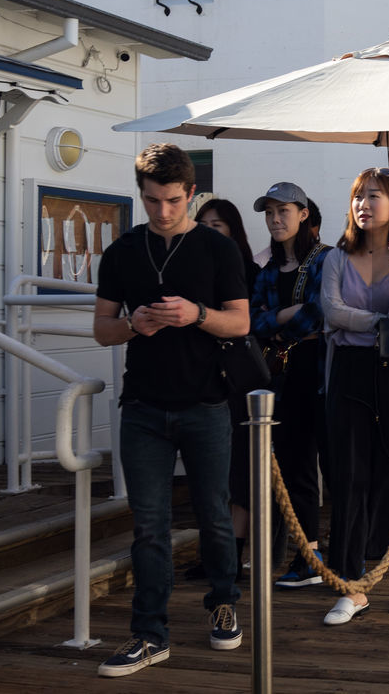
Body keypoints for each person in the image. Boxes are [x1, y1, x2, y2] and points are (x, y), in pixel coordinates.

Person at [92, 144, 248, 677]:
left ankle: (224, 603)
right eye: (153, 201)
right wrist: (135, 325)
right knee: (149, 527)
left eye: (174, 201)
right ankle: (148, 634)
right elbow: (101, 331)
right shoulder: (121, 253)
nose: (163, 211)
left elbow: (242, 323)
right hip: (142, 406)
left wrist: (196, 313)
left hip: (206, 403)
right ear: (142, 194)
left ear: (191, 194)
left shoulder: (216, 249)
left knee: (214, 516)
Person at [320, 168, 389, 625]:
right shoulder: (335, 257)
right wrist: (379, 324)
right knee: (349, 476)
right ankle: (352, 584)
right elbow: (331, 311)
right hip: (348, 372)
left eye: (374, 196)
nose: (364, 204)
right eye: (358, 197)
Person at [250, 182, 331, 588]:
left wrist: (278, 319)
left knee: (337, 466)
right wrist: (284, 318)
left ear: (304, 214)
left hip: (325, 370)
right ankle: (308, 554)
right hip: (284, 373)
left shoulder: (325, 259)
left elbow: (319, 313)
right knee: (297, 464)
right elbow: (252, 320)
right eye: (269, 212)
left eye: (284, 211)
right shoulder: (267, 270)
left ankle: (352, 555)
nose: (276, 219)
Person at [191, 198, 259, 582]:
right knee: (208, 473)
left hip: (238, 380)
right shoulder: (189, 271)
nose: (209, 231)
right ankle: (215, 555)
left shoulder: (247, 269)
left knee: (238, 474)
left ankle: (231, 557)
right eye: (203, 224)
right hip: (200, 380)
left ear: (233, 229)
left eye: (217, 225)